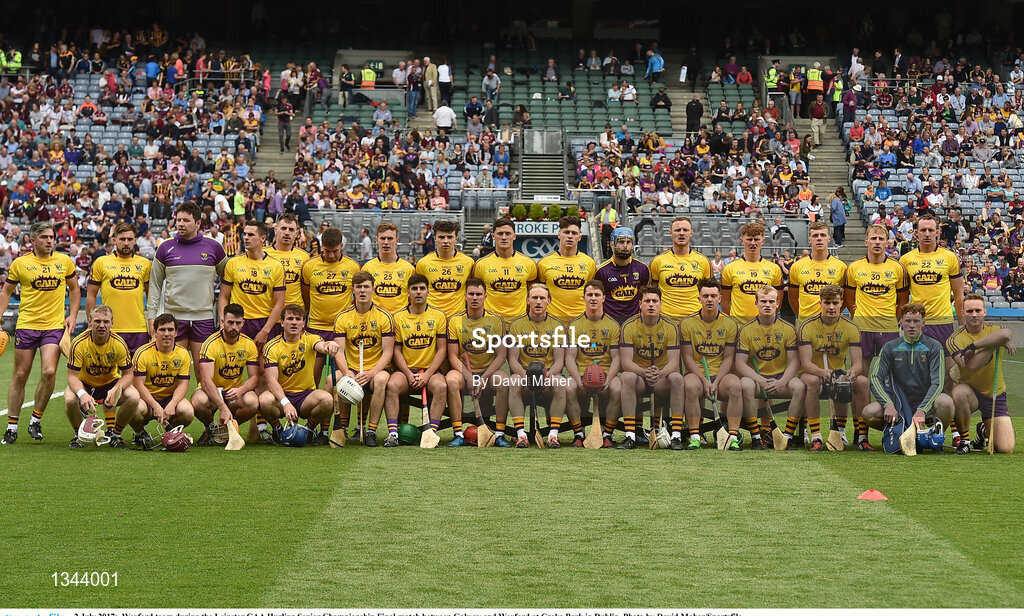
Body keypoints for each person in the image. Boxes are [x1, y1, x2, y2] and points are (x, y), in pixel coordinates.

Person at [0, 222, 81, 444]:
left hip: (54, 326)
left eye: (51, 237)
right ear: (32, 240)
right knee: (19, 375)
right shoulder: (20, 263)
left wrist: (72, 316)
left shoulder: (64, 261)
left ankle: (35, 420)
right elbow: (6, 292)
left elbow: (75, 289)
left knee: (48, 371)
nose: (49, 240)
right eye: (44, 237)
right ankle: (12, 425)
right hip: (26, 325)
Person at [147, 202, 226, 378]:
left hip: (203, 318)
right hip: (174, 319)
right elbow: (155, 285)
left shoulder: (214, 247)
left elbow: (227, 281)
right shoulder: (165, 248)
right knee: (173, 374)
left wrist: (224, 315)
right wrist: (152, 316)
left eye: (186, 220)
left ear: (198, 223)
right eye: (178, 220)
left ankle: (203, 405)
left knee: (203, 375)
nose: (180, 224)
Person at [862, 303, 956, 447]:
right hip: (899, 402)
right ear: (900, 322)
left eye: (916, 321)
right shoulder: (890, 347)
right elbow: (875, 377)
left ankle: (932, 438)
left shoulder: (934, 346)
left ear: (923, 323)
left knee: (946, 403)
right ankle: (896, 431)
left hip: (926, 402)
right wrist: (888, 403)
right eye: (908, 321)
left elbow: (937, 383)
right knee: (869, 412)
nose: (912, 325)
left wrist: (922, 410)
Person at [797, 285, 869, 451]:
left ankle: (858, 436)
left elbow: (858, 363)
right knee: (814, 381)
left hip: (837, 373)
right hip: (812, 373)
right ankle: (816, 436)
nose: (831, 307)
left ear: (841, 303)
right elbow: (805, 363)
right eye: (827, 302)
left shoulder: (851, 327)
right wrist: (821, 372)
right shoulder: (807, 326)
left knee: (862, 382)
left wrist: (852, 373)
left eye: (835, 303)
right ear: (820, 302)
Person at [734, 285, 804, 449]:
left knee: (800, 387)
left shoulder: (788, 329)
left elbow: (794, 362)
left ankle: (787, 436)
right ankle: (756, 437)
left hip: (781, 379)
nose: (767, 305)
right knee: (745, 384)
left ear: (778, 303)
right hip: (757, 380)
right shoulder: (746, 330)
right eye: (763, 301)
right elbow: (740, 363)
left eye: (771, 301)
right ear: (756, 303)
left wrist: (781, 382)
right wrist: (761, 380)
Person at [444, 278, 511, 446]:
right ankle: (458, 433)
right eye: (471, 294)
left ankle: (500, 433)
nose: (475, 298)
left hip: (487, 373)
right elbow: (452, 356)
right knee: (451, 380)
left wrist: (482, 378)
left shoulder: (495, 321)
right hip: (463, 373)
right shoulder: (454, 321)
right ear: (465, 296)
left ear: (485, 296)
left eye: (479, 294)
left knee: (503, 381)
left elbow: (501, 356)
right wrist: (468, 377)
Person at [384, 274, 449, 447]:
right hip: (406, 372)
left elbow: (442, 349)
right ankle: (393, 434)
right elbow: (396, 350)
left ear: (428, 292)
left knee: (442, 386)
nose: (418, 292)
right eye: (414, 289)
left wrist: (427, 375)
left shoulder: (439, 316)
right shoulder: (398, 317)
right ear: (408, 293)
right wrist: (408, 374)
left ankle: (430, 433)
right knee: (391, 386)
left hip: (430, 371)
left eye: (422, 288)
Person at [259, 305, 340, 443]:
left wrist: (329, 344)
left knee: (327, 400)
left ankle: (308, 430)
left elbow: (321, 345)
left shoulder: (311, 339)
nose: (294, 322)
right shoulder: (271, 346)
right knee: (264, 400)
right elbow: (271, 381)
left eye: (298, 319)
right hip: (281, 395)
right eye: (290, 319)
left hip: (305, 395)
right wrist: (286, 403)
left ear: (303, 323)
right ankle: (278, 430)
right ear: (282, 323)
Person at [947, 294, 1016, 454]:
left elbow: (1006, 335)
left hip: (995, 393)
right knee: (958, 393)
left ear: (984, 311)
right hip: (970, 393)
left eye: (978, 310)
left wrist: (974, 346)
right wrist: (994, 344)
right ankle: (964, 441)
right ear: (962, 313)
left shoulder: (995, 329)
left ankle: (983, 432)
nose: (974, 314)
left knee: (1005, 448)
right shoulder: (954, 340)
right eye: (969, 311)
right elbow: (972, 366)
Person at [679, 279, 744, 450]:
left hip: (720, 376)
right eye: (705, 296)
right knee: (691, 385)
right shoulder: (687, 323)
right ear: (698, 298)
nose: (709, 299)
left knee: (736, 385)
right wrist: (704, 381)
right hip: (698, 374)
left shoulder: (730, 324)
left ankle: (733, 436)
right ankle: (694, 435)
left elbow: (729, 358)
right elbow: (688, 357)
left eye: (713, 296)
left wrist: (715, 382)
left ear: (720, 298)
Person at [617, 285, 684, 449]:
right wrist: (644, 372)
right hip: (639, 378)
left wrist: (660, 373)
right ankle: (630, 435)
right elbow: (625, 363)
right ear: (640, 304)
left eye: (655, 301)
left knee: (677, 378)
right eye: (647, 301)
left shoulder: (671, 326)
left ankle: (676, 435)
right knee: (626, 377)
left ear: (661, 304)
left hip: (661, 379)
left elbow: (674, 362)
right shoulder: (629, 326)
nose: (651, 304)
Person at [331, 271, 394, 446]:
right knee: (333, 380)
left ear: (373, 289)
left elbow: (388, 352)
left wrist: (372, 372)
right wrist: (347, 373)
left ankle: (371, 431)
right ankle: (340, 428)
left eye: (366, 287)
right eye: (359, 287)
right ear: (353, 290)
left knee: (381, 380)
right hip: (351, 368)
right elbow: (339, 351)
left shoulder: (384, 316)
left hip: (376, 370)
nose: (362, 291)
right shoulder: (343, 317)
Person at [115, 313, 195, 449]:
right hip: (146, 400)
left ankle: (170, 434)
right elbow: (138, 384)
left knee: (187, 412)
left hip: (169, 398)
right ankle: (139, 433)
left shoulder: (183, 354)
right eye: (162, 330)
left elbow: (183, 384)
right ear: (154, 332)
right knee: (135, 408)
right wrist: (154, 405)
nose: (166, 334)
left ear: (176, 332)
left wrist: (172, 403)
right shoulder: (143, 353)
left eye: (170, 330)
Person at [64, 306, 138, 448]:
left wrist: (117, 388)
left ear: (112, 322)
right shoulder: (79, 343)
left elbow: (128, 374)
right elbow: (72, 377)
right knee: (69, 399)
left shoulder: (119, 343)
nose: (102, 325)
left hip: (110, 383)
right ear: (90, 321)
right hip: (85, 383)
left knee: (134, 397)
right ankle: (79, 435)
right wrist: (82, 394)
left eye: (106, 321)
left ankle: (115, 434)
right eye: (97, 321)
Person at [507, 283, 568, 448]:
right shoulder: (516, 325)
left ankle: (553, 435)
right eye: (534, 298)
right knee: (512, 382)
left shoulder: (557, 326)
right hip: (524, 377)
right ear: (528, 300)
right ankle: (521, 435)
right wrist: (527, 377)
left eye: (542, 298)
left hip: (548, 376)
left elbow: (559, 361)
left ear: (549, 300)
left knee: (560, 383)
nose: (538, 301)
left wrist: (545, 377)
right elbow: (513, 360)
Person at [191, 303, 260, 445]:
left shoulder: (249, 344)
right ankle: (210, 428)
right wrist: (222, 407)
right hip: (212, 390)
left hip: (234, 391)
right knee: (198, 401)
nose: (234, 327)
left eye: (237, 323)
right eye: (230, 322)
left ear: (243, 323)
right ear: (223, 322)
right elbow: (205, 381)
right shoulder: (210, 343)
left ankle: (228, 428)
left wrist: (241, 390)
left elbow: (254, 377)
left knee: (252, 402)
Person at [565, 281, 622, 448]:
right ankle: (578, 433)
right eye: (589, 295)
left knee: (618, 387)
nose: (593, 298)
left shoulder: (612, 325)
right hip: (582, 372)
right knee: (568, 387)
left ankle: (607, 434)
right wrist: (577, 378)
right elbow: (570, 357)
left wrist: (609, 378)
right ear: (583, 298)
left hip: (605, 373)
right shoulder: (575, 325)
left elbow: (616, 357)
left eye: (597, 295)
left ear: (604, 298)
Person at [86, 222, 152, 356]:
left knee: (138, 375)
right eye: (122, 239)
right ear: (114, 240)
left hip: (138, 330)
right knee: (107, 375)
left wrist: (152, 323)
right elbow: (91, 295)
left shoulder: (145, 264)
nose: (126, 243)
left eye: (129, 239)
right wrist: (90, 323)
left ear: (135, 240)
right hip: (109, 329)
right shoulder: (101, 262)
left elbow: (152, 298)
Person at [900, 213, 965, 346]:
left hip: (943, 321)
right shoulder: (905, 260)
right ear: (917, 233)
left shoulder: (950, 257)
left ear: (938, 232)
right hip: (916, 322)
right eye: (923, 230)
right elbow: (903, 298)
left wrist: (963, 324)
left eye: (931, 230)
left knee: (946, 365)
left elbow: (959, 294)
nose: (927, 234)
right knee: (915, 366)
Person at [218, 221, 285, 349]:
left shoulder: (276, 266)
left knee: (261, 369)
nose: (246, 238)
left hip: (264, 321)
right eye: (245, 234)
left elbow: (280, 302)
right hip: (238, 321)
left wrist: (265, 331)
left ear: (263, 238)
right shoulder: (233, 263)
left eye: (251, 235)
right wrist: (223, 322)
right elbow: (223, 296)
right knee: (232, 367)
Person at [472, 217, 538, 318]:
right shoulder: (481, 264)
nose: (504, 237)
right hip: (491, 323)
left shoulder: (529, 263)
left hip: (519, 322)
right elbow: (474, 296)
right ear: (493, 236)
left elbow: (533, 296)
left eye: (508, 234)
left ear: (514, 236)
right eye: (500, 234)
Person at [648, 216, 711, 320]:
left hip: (695, 320)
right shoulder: (657, 261)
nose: (681, 233)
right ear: (670, 233)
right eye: (677, 230)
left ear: (691, 233)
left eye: (685, 230)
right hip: (665, 319)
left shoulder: (703, 261)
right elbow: (652, 293)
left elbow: (710, 292)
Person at [537, 216, 596, 327]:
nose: (570, 236)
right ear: (559, 235)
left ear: (579, 237)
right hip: (552, 322)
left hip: (581, 322)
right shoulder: (544, 263)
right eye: (566, 232)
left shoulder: (590, 263)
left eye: (574, 233)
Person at [787, 222, 847, 327]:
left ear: (829, 239)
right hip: (806, 326)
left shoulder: (841, 267)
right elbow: (793, 299)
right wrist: (804, 316)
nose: (819, 238)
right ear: (809, 240)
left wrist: (832, 315)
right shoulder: (797, 266)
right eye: (815, 236)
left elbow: (844, 299)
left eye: (823, 235)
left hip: (831, 326)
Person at [721, 222, 783, 321]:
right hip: (739, 328)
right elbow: (724, 302)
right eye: (749, 239)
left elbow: (777, 302)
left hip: (764, 326)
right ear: (741, 241)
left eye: (756, 239)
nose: (753, 243)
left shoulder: (774, 269)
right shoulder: (729, 268)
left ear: (763, 241)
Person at [415, 220, 475, 318]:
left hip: (458, 319)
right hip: (431, 320)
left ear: (456, 239)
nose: (446, 241)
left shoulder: (468, 262)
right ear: (435, 239)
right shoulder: (423, 263)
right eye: (441, 237)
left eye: (450, 237)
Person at [595, 227, 650, 324]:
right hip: (609, 325)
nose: (625, 246)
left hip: (635, 324)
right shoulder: (601, 271)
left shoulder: (643, 269)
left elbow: (646, 298)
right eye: (621, 242)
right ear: (612, 244)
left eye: (628, 242)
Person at [361, 222, 415, 314]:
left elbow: (412, 300)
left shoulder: (409, 269)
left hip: (399, 323)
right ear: (377, 240)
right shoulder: (367, 268)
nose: (386, 242)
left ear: (397, 240)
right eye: (382, 238)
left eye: (390, 238)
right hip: (375, 323)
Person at [264, 214, 310, 313]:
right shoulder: (264, 253)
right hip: (270, 314)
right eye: (283, 228)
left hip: (295, 314)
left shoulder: (304, 256)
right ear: (276, 230)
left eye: (291, 230)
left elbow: (306, 288)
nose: (287, 233)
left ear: (296, 233)